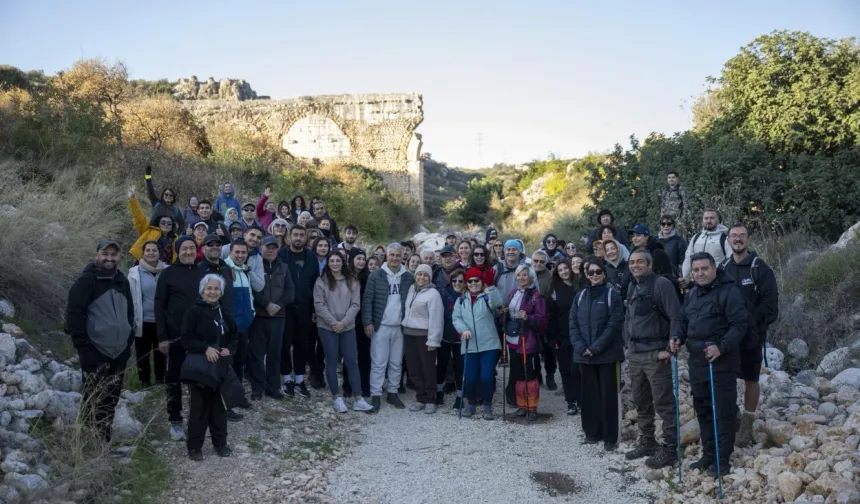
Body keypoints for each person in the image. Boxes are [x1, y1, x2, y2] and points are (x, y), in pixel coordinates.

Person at [670, 252, 748, 478]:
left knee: (722, 410)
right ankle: (708, 454)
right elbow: (683, 322)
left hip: (720, 362)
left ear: (714, 268)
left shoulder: (729, 291)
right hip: (696, 361)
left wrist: (721, 347)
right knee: (703, 408)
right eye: (696, 270)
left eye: (704, 269)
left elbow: (739, 325)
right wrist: (676, 338)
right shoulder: (692, 293)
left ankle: (722, 459)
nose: (700, 273)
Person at [64, 239, 134, 442]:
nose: (109, 258)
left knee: (111, 397)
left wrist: (128, 340)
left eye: (114, 254)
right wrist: (84, 348)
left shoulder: (122, 280)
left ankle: (103, 438)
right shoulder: (86, 281)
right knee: (93, 396)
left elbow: (129, 312)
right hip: (94, 351)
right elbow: (74, 316)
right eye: (105, 254)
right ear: (97, 255)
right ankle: (86, 438)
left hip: (119, 351)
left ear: (119, 256)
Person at [718, 223, 779, 447]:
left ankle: (747, 423)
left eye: (741, 236)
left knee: (751, 378)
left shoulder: (759, 268)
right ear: (728, 240)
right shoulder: (722, 267)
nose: (737, 240)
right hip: (726, 336)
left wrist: (750, 325)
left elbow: (770, 305)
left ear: (748, 239)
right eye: (733, 236)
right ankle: (731, 417)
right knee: (727, 376)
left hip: (752, 336)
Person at [623, 249, 682, 468]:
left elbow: (676, 315)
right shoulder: (632, 285)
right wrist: (627, 344)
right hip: (635, 353)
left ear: (649, 265)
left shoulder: (662, 284)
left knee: (664, 403)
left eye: (640, 262)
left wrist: (671, 347)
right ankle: (647, 441)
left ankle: (670, 448)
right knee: (641, 401)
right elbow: (628, 317)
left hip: (656, 353)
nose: (635, 265)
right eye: (632, 262)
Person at [180, 274, 238, 461]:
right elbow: (187, 338)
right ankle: (194, 447)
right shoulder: (194, 311)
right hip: (201, 369)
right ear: (202, 291)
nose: (212, 292)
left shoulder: (225, 312)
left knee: (219, 407)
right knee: (199, 408)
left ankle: (220, 443)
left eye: (216, 289)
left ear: (221, 292)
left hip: (220, 367)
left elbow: (235, 336)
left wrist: (229, 349)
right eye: (209, 288)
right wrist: (205, 348)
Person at [570, 256, 624, 451]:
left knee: (608, 395)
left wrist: (596, 347)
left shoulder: (612, 295)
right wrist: (580, 346)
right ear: (586, 274)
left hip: (606, 355)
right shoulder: (580, 296)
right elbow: (573, 323)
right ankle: (592, 433)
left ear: (603, 272)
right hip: (584, 355)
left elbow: (614, 324)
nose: (594, 275)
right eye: (590, 272)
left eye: (598, 271)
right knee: (589, 396)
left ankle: (610, 438)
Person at [155, 236, 204, 441]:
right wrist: (162, 337)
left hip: (199, 338)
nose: (188, 252)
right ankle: (175, 420)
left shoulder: (203, 273)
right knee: (173, 379)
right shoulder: (167, 274)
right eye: (184, 248)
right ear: (177, 250)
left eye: (192, 248)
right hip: (175, 337)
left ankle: (198, 418)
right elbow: (159, 306)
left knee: (199, 380)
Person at [313, 252, 375, 413]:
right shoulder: (321, 281)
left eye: (337, 261)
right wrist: (334, 323)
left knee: (351, 361)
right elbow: (319, 305)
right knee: (332, 362)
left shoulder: (352, 281)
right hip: (327, 327)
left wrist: (343, 323)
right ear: (328, 263)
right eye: (331, 261)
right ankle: (337, 398)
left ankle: (358, 398)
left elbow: (355, 305)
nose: (334, 263)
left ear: (343, 263)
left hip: (347, 327)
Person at [362, 243, 414, 412]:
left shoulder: (408, 277)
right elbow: (367, 300)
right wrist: (367, 322)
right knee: (378, 362)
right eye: (391, 255)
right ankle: (376, 394)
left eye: (398, 255)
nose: (395, 258)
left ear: (402, 257)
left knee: (396, 362)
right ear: (386, 256)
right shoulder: (376, 275)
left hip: (399, 326)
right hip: (381, 325)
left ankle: (392, 392)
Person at [453, 267, 503, 419]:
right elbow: (456, 318)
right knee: (470, 377)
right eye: (470, 281)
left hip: (489, 344)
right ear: (466, 283)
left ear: (481, 282)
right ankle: (471, 404)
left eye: (477, 280)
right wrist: (463, 329)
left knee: (487, 377)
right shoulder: (461, 300)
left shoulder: (487, 296)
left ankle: (487, 405)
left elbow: (497, 304)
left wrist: (491, 286)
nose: (474, 283)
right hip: (469, 344)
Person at [249, 236, 295, 400]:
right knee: (256, 355)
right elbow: (252, 289)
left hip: (278, 316)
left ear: (278, 250)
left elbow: (290, 291)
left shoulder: (284, 267)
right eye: (268, 247)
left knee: (275, 354)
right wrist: (266, 304)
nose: (271, 250)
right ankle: (257, 388)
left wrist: (279, 305)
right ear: (261, 248)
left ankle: (273, 387)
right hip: (259, 316)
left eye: (274, 247)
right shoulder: (254, 265)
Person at [279, 225, 319, 398]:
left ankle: (300, 380)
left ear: (306, 238)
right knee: (285, 344)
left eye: (301, 235)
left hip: (305, 307)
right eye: (295, 234)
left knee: (302, 344)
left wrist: (315, 308)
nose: (298, 238)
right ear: (289, 237)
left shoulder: (311, 257)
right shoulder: (282, 254)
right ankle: (287, 378)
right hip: (286, 307)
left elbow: (315, 283)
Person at [504, 265, 545, 421]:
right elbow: (509, 312)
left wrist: (528, 318)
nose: (521, 277)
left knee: (530, 374)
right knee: (517, 373)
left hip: (527, 339)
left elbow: (541, 320)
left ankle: (532, 407)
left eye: (525, 275)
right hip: (512, 338)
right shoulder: (513, 293)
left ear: (531, 277)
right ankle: (522, 405)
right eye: (519, 275)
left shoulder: (536, 296)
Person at [401, 264, 444, 413]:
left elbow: (436, 318)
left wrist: (433, 340)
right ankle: (420, 397)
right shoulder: (411, 289)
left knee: (428, 368)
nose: (422, 277)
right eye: (419, 274)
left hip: (424, 336)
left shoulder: (433, 294)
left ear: (430, 278)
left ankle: (431, 399)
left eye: (425, 275)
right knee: (413, 368)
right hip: (408, 334)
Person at [546, 258, 583, 415]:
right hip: (561, 334)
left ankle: (582, 399)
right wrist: (552, 337)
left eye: (565, 268)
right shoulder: (554, 289)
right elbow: (551, 314)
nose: (564, 272)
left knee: (578, 369)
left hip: (580, 334)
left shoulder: (579, 285)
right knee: (566, 370)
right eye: (560, 270)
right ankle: (571, 402)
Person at [128, 241, 168, 387]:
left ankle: (160, 380)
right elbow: (131, 296)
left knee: (161, 352)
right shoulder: (134, 272)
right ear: (142, 253)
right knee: (142, 353)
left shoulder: (166, 270)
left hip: (161, 321)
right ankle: (144, 381)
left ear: (159, 253)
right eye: (148, 250)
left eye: (154, 250)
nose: (151, 253)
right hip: (142, 320)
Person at [224, 239, 255, 416]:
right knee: (227, 364)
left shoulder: (244, 270)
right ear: (230, 252)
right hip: (230, 327)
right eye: (237, 252)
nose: (241, 255)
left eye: (244, 253)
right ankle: (227, 402)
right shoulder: (225, 269)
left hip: (244, 325)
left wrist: (252, 313)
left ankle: (238, 396)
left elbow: (249, 294)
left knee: (239, 363)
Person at [342, 248, 372, 399]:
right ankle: (347, 386)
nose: (361, 262)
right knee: (349, 355)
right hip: (348, 320)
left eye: (363, 259)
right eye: (358, 258)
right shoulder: (344, 277)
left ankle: (364, 386)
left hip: (363, 321)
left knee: (364, 356)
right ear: (352, 260)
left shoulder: (369, 278)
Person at [438, 268, 466, 408]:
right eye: (454, 280)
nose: (457, 283)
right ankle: (439, 393)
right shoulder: (443, 293)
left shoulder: (467, 295)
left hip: (460, 337)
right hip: (445, 335)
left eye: (461, 281)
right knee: (441, 366)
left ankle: (460, 397)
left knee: (459, 367)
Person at [128, 186, 178, 265]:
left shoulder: (175, 238)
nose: (166, 225)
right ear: (159, 224)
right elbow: (139, 217)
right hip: (144, 265)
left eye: (169, 223)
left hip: (163, 270)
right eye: (163, 222)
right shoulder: (150, 231)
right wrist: (132, 200)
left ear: (172, 226)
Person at [681, 209, 732, 284]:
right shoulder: (696, 237)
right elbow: (688, 258)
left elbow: (730, 259)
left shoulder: (724, 238)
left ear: (717, 220)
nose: (708, 221)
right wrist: (684, 277)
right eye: (706, 218)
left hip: (717, 281)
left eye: (712, 218)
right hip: (698, 280)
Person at [531, 250, 557, 390]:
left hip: (547, 317)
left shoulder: (551, 277)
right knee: (533, 349)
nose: (538, 264)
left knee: (549, 351)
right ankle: (537, 374)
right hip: (531, 318)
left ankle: (550, 375)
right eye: (535, 261)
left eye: (541, 261)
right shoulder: (527, 274)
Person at [144, 166, 184, 230]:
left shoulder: (176, 211)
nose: (168, 196)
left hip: (167, 237)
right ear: (163, 195)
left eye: (171, 195)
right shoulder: (156, 203)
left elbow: (182, 225)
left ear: (173, 198)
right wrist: (148, 175)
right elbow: (150, 189)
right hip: (153, 234)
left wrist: (176, 235)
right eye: (166, 194)